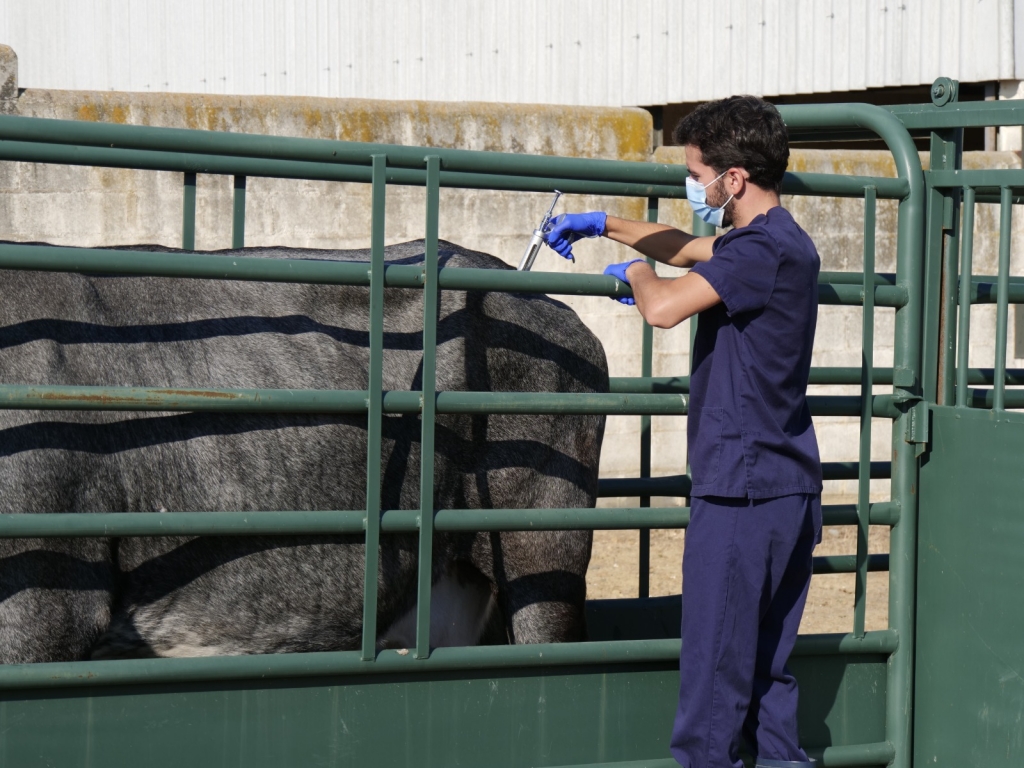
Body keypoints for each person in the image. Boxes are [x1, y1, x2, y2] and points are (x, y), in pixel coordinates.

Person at [544, 95, 822, 768]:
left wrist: (634, 277)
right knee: (768, 685)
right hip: (786, 489)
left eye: (698, 173)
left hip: (741, 496)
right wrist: (603, 224)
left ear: (734, 179)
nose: (692, 185)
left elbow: (666, 306)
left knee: (712, 693)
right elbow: (692, 247)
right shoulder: (784, 241)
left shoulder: (757, 253)